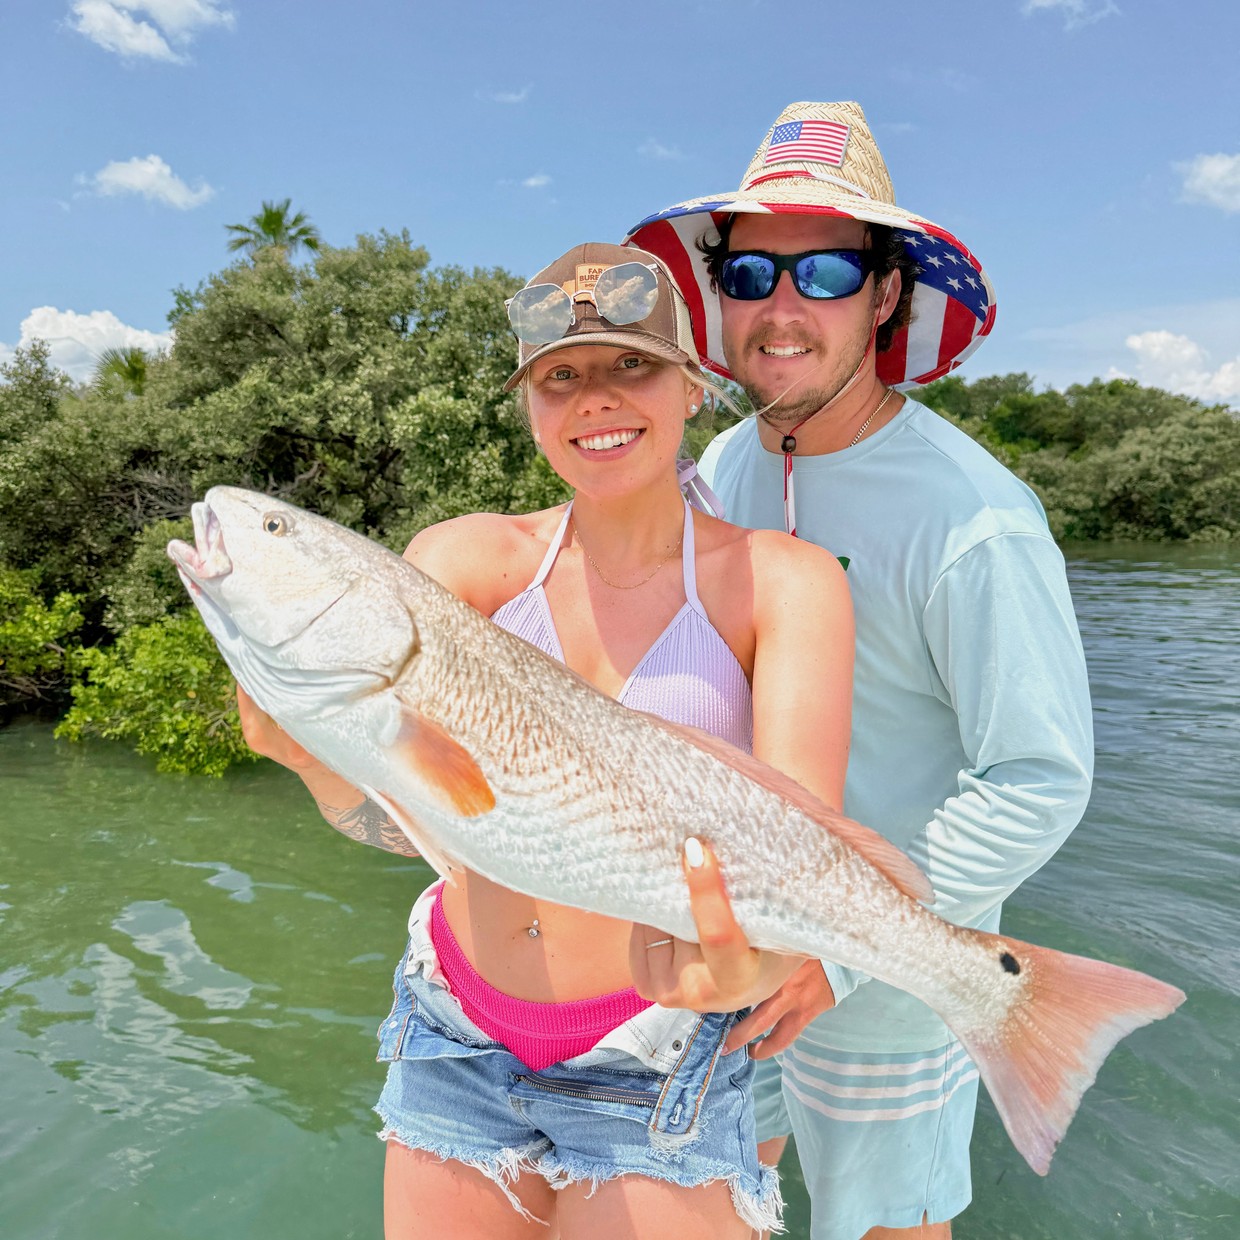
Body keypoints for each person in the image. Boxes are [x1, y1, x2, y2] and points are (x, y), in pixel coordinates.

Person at [237, 241, 855, 1239]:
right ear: (529, 405)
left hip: (658, 1051)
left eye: (630, 365)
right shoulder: (462, 563)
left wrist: (759, 967)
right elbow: (407, 828)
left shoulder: (787, 583)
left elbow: (799, 858)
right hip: (455, 1031)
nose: (595, 400)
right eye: (559, 378)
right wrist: (309, 758)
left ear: (693, 384)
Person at [624, 101, 1095, 1240]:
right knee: (723, 1200)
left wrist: (840, 955)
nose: (782, 309)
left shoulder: (970, 516)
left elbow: (1039, 777)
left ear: (885, 295)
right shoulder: (712, 470)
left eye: (826, 269)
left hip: (882, 991)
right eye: (750, 271)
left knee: (887, 1225)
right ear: (717, 292)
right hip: (722, 963)